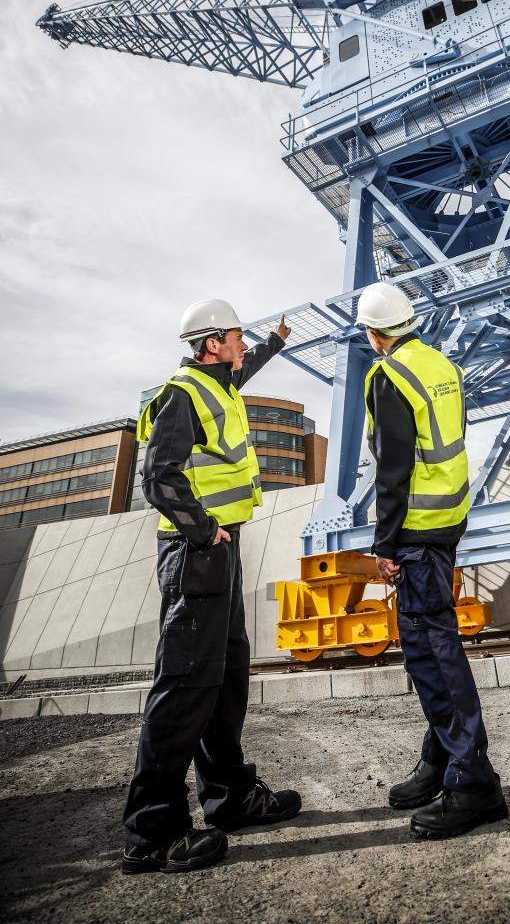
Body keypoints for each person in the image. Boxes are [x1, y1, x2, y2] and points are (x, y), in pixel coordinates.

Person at [121, 299, 301, 874]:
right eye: (238, 336)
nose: (243, 343)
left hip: (220, 550)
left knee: (224, 676)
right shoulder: (181, 395)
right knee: (184, 685)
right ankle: (152, 834)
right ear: (211, 343)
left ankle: (230, 799)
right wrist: (203, 530)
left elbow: (243, 371)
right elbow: (158, 476)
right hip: (195, 551)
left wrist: (274, 343)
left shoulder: (217, 385)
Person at [355, 281, 508, 840]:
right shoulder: (440, 365)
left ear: (374, 334)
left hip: (417, 528)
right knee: (434, 646)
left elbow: (394, 468)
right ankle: (441, 759)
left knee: (432, 654)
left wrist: (385, 543)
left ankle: (473, 780)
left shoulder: (389, 376)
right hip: (448, 517)